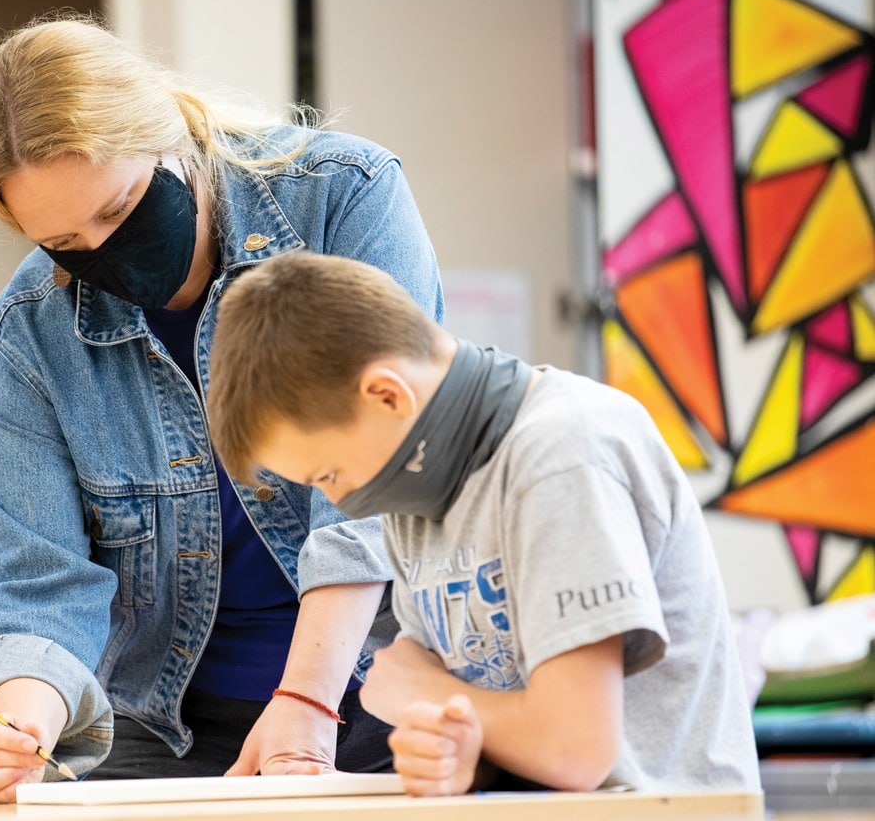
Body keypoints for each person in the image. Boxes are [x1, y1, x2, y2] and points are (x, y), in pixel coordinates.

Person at [0, 16, 444, 803]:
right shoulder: (27, 338)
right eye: (65, 242)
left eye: (118, 210)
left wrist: (308, 701)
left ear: (172, 138)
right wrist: (22, 720)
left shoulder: (341, 199)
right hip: (167, 721)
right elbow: (35, 578)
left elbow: (373, 482)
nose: (101, 254)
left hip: (381, 685)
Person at [205, 252, 761, 796]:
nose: (339, 502)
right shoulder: (417, 493)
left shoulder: (562, 455)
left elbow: (575, 749)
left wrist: (423, 690)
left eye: (329, 474)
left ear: (386, 396)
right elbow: (470, 731)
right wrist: (451, 757)